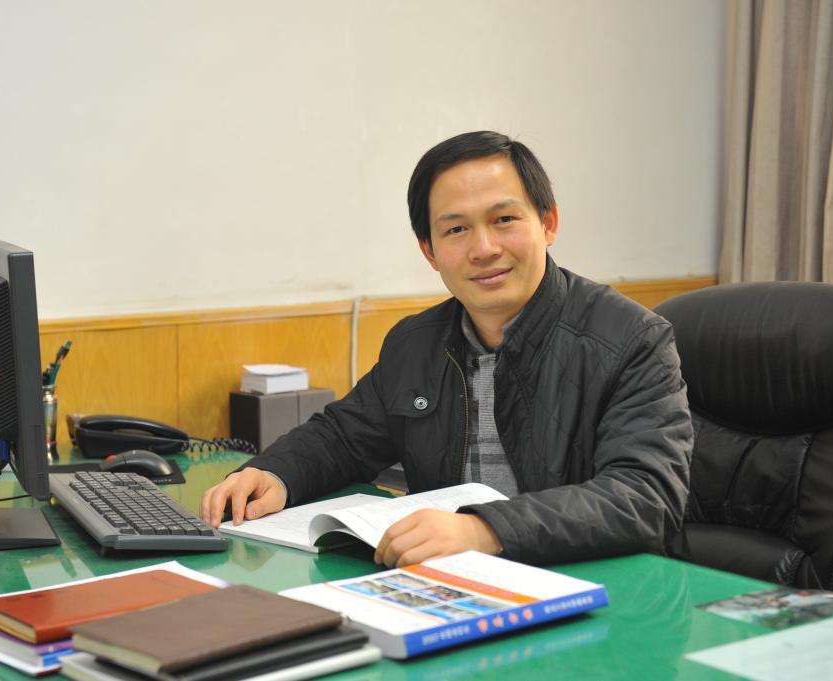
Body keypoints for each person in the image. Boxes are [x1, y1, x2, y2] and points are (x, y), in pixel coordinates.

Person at [201, 130, 692, 568]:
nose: (484, 249)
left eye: (504, 219)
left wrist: (484, 530)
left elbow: (644, 497)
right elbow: (344, 436)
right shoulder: (416, 343)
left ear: (548, 223)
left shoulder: (632, 340)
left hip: (593, 590)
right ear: (430, 251)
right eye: (456, 229)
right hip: (450, 584)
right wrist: (275, 473)